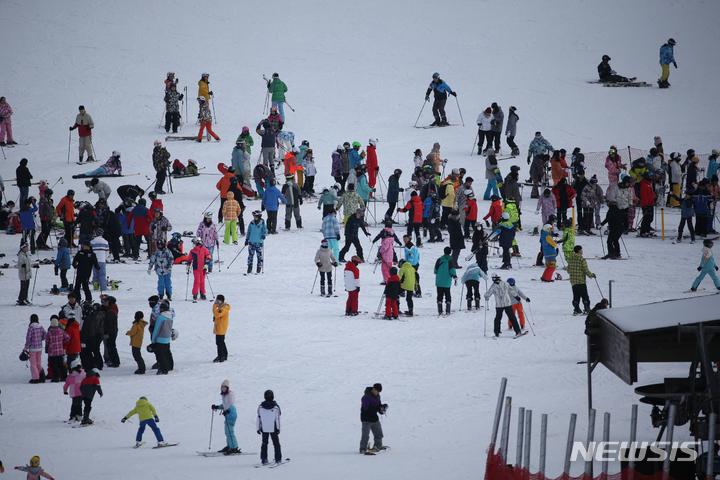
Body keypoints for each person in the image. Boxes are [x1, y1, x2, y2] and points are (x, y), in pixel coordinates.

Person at [485, 273, 523, 338]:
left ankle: (497, 332)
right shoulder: (505, 283)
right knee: (512, 317)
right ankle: (517, 331)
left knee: (498, 318)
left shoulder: (493, 286)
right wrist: (516, 296)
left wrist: (486, 297)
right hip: (507, 303)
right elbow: (511, 290)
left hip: (499, 304)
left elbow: (488, 294)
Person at [212, 380, 240, 454]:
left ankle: (234, 447)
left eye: (224, 387)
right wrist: (217, 407)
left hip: (232, 415)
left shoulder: (231, 395)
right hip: (227, 416)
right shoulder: (225, 395)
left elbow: (232, 405)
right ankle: (229, 446)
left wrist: (228, 411)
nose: (223, 389)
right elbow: (224, 405)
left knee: (230, 432)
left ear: (227, 388)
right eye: (222, 387)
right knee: (227, 432)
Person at [360, 383, 388, 454]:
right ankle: (363, 449)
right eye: (377, 391)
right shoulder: (365, 397)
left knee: (379, 434)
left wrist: (382, 408)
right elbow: (367, 408)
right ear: (373, 389)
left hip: (374, 419)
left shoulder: (377, 396)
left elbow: (378, 408)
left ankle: (378, 446)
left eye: (379, 392)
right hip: (366, 419)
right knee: (365, 436)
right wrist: (378, 408)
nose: (378, 393)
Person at [567, 245, 596, 314]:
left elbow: (568, 270)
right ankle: (586, 308)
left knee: (576, 295)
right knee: (584, 295)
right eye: (581, 250)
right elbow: (585, 270)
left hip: (573, 281)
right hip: (581, 281)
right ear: (579, 251)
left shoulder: (571, 258)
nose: (582, 251)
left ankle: (576, 308)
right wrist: (592, 275)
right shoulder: (581, 259)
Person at [257, 389, 282, 465]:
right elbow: (278, 418)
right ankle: (278, 458)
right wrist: (278, 428)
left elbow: (258, 418)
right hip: (273, 428)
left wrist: (258, 428)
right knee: (276, 444)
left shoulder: (260, 407)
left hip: (264, 428)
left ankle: (264, 458)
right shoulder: (275, 407)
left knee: (264, 443)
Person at [527, 132, 554, 198]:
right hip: (536, 158)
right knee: (536, 168)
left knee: (542, 169)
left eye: (539, 136)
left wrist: (555, 152)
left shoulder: (544, 142)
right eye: (537, 137)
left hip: (543, 158)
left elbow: (550, 147)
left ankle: (542, 178)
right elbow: (530, 150)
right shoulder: (533, 142)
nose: (538, 138)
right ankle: (534, 178)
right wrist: (529, 157)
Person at [434, 246, 457, 316]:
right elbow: (452, 271)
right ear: (450, 252)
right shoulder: (450, 261)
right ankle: (447, 309)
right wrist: (455, 276)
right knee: (447, 295)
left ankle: (440, 310)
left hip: (439, 281)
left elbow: (435, 270)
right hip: (447, 281)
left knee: (439, 295)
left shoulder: (439, 260)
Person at [151, 302, 173, 375]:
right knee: (166, 353)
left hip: (160, 338)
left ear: (162, 309)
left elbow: (157, 329)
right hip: (167, 338)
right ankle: (169, 366)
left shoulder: (160, 317)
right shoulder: (170, 316)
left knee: (160, 355)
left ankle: (163, 369)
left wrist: (153, 338)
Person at [23, 314, 46, 383]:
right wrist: (40, 339)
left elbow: (28, 339)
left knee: (33, 364)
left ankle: (35, 378)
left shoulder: (31, 328)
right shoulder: (40, 327)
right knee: (38, 362)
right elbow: (45, 335)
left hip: (33, 348)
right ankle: (42, 375)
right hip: (39, 348)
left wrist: (25, 348)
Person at [245, 210, 267, 275]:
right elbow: (249, 231)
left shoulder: (262, 223)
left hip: (259, 242)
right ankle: (249, 267)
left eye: (256, 217)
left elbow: (265, 230)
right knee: (250, 255)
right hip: (251, 241)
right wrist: (247, 239)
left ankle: (259, 267)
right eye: (254, 217)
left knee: (259, 255)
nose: (255, 218)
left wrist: (264, 235)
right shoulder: (251, 223)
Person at [212, 295, 231, 362]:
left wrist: (214, 306)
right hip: (220, 327)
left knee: (219, 342)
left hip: (221, 328)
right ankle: (224, 355)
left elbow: (217, 315)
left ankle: (221, 356)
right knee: (221, 342)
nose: (216, 302)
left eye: (217, 300)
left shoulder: (223, 309)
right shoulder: (221, 307)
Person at [639, 172, 656, 237]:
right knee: (646, 218)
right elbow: (644, 196)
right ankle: (643, 231)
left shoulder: (649, 184)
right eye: (649, 177)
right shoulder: (644, 185)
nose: (650, 178)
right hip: (646, 205)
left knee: (650, 218)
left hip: (650, 204)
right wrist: (646, 205)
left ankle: (647, 230)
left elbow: (651, 193)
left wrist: (654, 197)